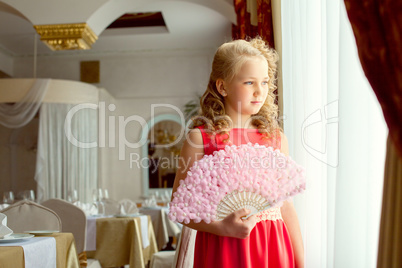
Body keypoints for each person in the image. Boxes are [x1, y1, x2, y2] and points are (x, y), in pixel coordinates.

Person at [171, 37, 304, 267]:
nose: (259, 92)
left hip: (273, 244)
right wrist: (221, 226)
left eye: (264, 82)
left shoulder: (275, 138)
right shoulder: (200, 139)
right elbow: (179, 207)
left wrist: (301, 261)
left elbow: (286, 206)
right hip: (224, 247)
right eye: (249, 83)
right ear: (222, 87)